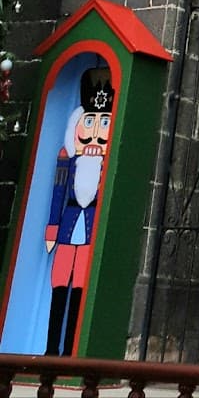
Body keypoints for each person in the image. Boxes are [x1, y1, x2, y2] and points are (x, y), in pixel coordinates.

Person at [43, 67, 114, 355]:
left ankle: (71, 348)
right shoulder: (67, 159)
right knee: (59, 287)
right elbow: (58, 194)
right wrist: (52, 228)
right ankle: (51, 350)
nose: (95, 131)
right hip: (68, 228)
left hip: (89, 232)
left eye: (103, 122)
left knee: (80, 290)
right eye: (89, 122)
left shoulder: (105, 165)